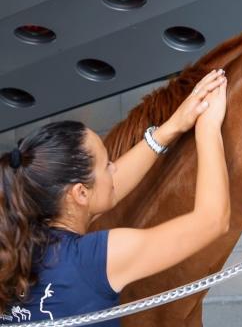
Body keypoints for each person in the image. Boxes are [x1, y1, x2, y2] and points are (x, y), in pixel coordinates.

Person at [0, 69, 229, 326]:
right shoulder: (94, 259)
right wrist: (208, 127)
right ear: (80, 193)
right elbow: (213, 220)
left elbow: (109, 189)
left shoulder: (15, 246)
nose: (115, 168)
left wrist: (172, 127)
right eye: (107, 163)